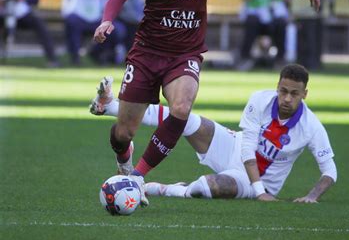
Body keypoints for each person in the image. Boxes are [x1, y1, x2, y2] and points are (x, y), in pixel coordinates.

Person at [92, 0, 320, 206]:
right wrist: (107, 19)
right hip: (147, 52)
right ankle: (125, 160)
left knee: (181, 108)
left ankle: (137, 177)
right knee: (124, 132)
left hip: (185, 55)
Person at [90, 64, 336, 202]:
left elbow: (330, 171)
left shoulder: (311, 126)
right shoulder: (260, 100)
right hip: (236, 148)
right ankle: (110, 106)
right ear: (277, 87)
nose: (286, 98)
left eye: (294, 94)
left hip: (258, 181)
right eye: (283, 91)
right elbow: (248, 145)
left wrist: (311, 196)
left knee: (204, 188)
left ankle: (160, 188)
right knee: (185, 118)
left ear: (305, 94)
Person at [238, 0, 297, 71]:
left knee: (281, 23)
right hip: (256, 15)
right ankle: (244, 58)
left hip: (272, 16)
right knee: (251, 21)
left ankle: (280, 59)